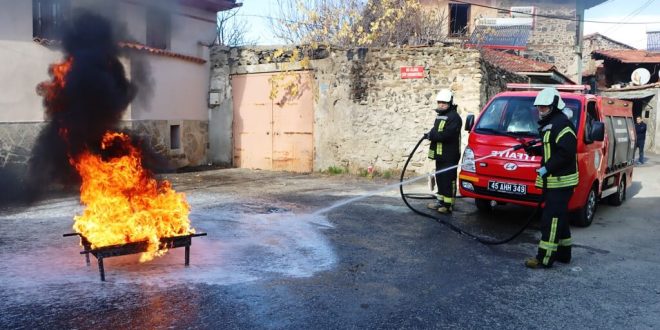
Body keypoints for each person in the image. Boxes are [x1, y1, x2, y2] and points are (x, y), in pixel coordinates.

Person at [523, 87, 578, 269]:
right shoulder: (552, 123)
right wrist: (534, 150)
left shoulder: (562, 124)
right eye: (539, 107)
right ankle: (564, 254)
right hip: (555, 181)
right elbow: (552, 148)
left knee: (551, 220)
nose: (541, 110)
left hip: (561, 181)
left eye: (544, 107)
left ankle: (544, 258)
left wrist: (546, 168)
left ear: (554, 106)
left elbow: (566, 153)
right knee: (560, 217)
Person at [425, 89, 462, 214]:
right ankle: (440, 201)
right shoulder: (440, 115)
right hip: (440, 154)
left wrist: (432, 135)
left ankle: (448, 205)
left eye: (444, 102)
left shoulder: (454, 118)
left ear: (450, 102)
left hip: (449, 155)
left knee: (448, 179)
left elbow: (447, 135)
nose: (441, 104)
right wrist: (430, 133)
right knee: (440, 178)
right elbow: (436, 130)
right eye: (439, 102)